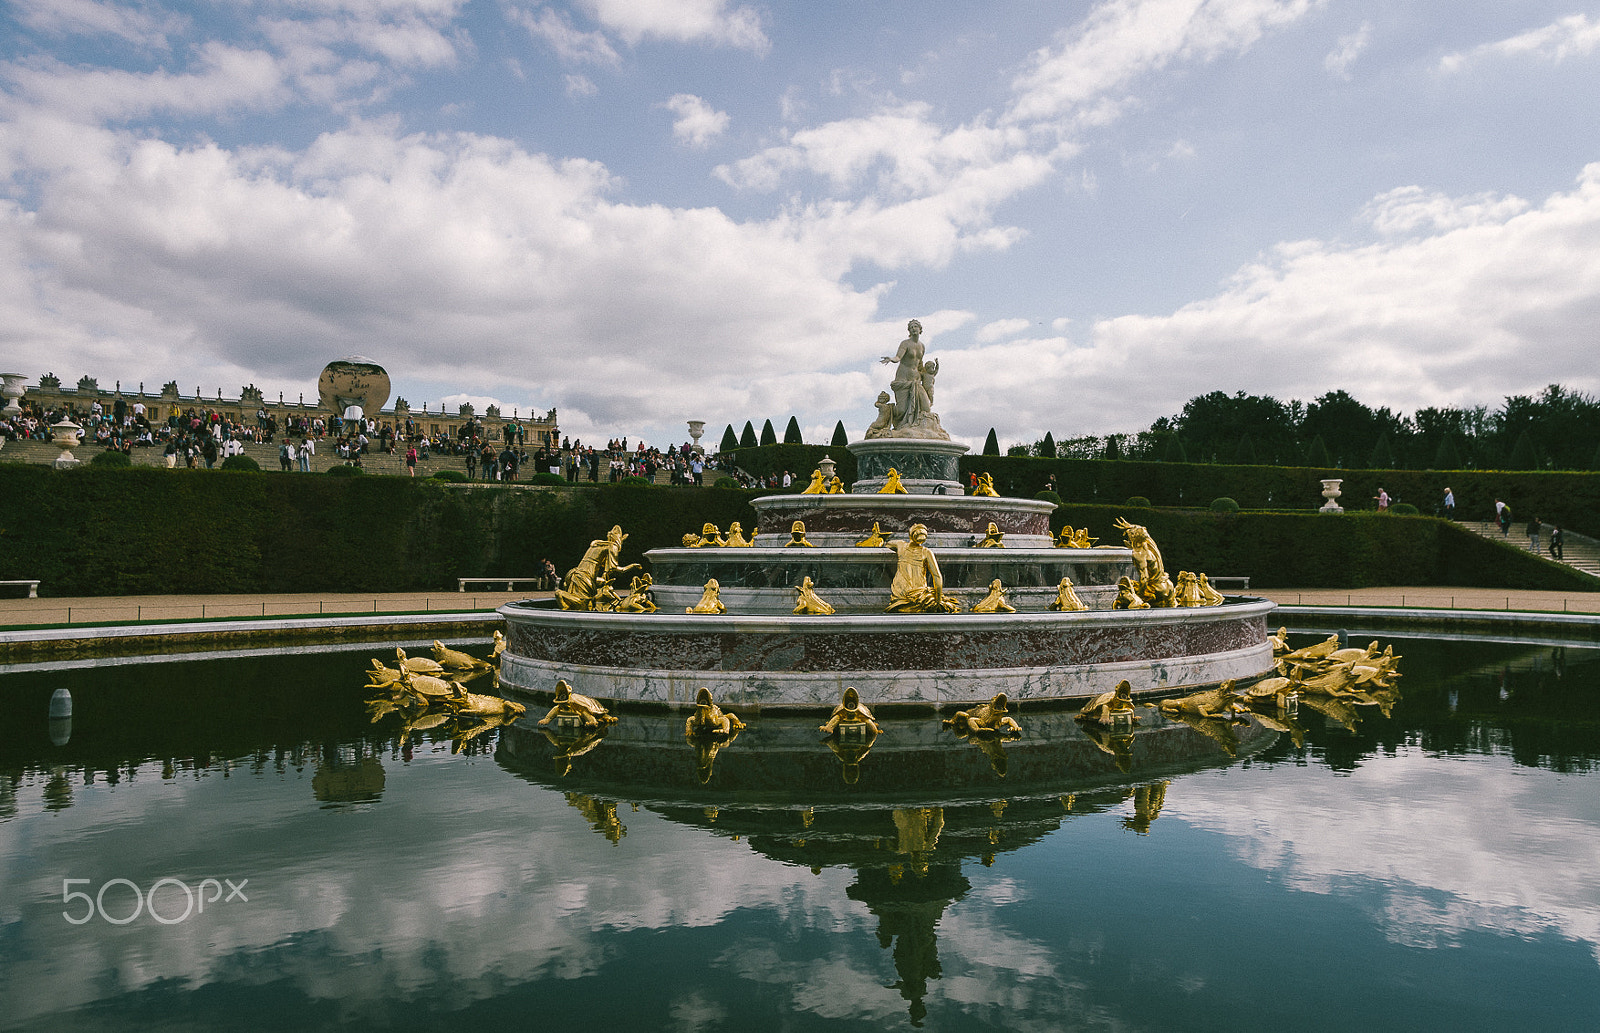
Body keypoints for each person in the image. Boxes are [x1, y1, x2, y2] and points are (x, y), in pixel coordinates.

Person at [879, 318, 926, 428]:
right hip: (903, 378)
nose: (913, 329)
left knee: (924, 408)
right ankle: (886, 411)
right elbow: (898, 357)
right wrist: (891, 359)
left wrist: (930, 374)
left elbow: (920, 364)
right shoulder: (905, 343)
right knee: (901, 410)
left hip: (916, 379)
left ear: (920, 329)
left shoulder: (922, 346)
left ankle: (913, 427)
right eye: (911, 327)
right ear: (909, 331)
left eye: (915, 326)